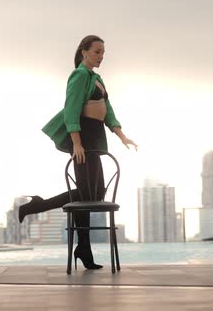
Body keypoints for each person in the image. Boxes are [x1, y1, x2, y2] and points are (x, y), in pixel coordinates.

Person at [18, 35, 137, 270]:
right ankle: (39, 208)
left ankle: (81, 247)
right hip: (83, 139)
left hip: (95, 140)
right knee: (85, 194)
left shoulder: (97, 79)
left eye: (103, 52)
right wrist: (76, 143)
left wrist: (122, 136)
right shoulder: (79, 75)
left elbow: (108, 111)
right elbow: (71, 110)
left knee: (94, 194)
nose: (101, 56)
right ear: (84, 52)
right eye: (96, 52)